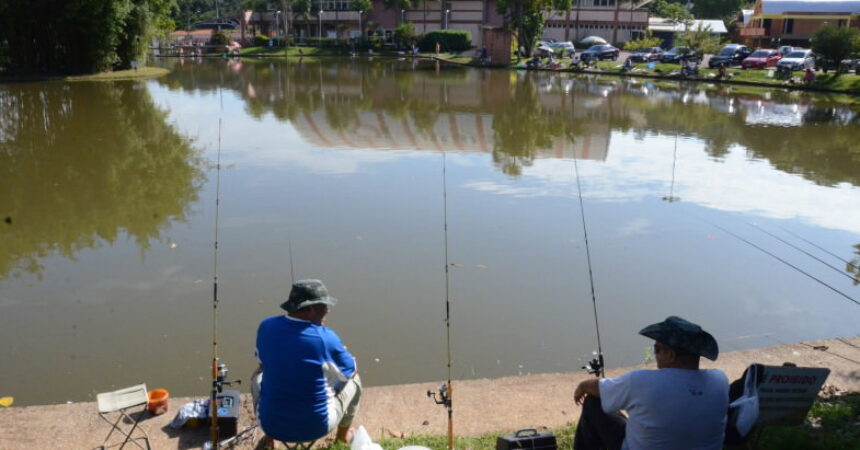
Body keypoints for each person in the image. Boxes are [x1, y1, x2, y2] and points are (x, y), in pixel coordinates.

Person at [573, 316, 729, 450]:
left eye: (657, 349)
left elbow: (599, 389)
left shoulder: (641, 381)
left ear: (671, 355)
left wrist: (582, 386)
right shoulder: (719, 381)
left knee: (593, 403)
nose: (655, 354)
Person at [253, 279, 362, 446]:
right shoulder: (325, 337)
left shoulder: (266, 326)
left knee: (257, 378)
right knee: (355, 381)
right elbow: (350, 371)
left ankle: (269, 440)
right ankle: (342, 438)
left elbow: (262, 363)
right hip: (316, 427)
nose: (328, 310)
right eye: (324, 307)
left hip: (271, 424)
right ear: (310, 309)